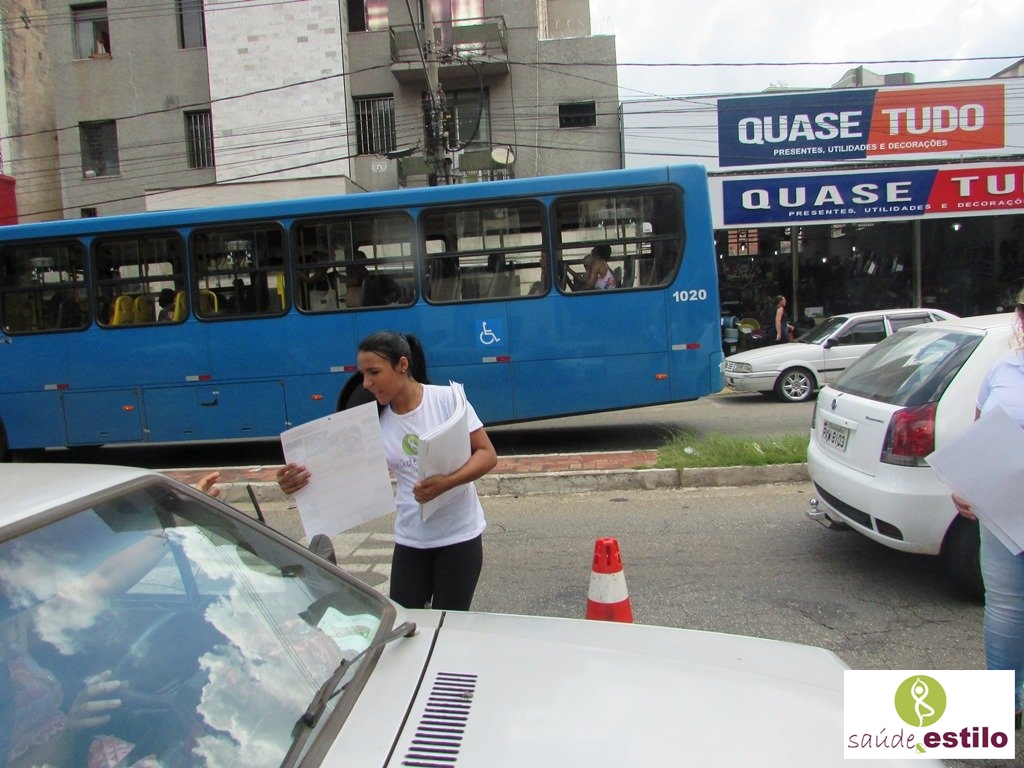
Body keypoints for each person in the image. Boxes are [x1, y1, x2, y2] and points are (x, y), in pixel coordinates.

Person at [276, 331, 497, 611]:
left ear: (402, 365)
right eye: (363, 374)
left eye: (374, 372)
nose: (366, 383)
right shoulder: (372, 420)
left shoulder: (447, 399)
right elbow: (335, 471)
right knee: (405, 621)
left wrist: (448, 482)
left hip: (460, 536)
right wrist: (295, 480)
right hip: (411, 539)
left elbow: (487, 454)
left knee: (448, 623)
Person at [951, 295, 1024, 730]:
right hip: (1004, 513)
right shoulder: (1001, 372)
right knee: (1005, 609)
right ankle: (1005, 702)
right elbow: (980, 435)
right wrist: (966, 485)